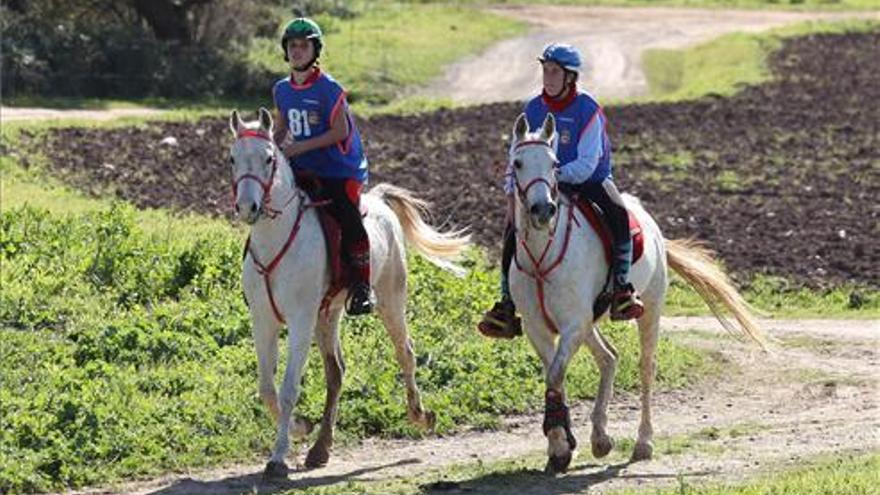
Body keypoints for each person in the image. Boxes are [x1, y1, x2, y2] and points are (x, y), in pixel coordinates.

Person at [478, 43, 644, 338]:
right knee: (510, 232)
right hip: (542, 184)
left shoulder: (588, 109)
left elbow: (588, 161)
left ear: (570, 77)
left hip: (589, 180)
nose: (548, 77)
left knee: (619, 216)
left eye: (554, 72)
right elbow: (517, 154)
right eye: (545, 70)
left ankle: (621, 290)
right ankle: (506, 304)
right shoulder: (533, 108)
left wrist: (554, 176)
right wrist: (510, 190)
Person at [271, 17, 374, 315]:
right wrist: (272, 148)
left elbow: (340, 131)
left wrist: (300, 147)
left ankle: (362, 286)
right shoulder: (281, 90)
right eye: (292, 46)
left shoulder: (329, 89)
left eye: (304, 46)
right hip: (301, 166)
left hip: (338, 168)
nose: (297, 51)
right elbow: (280, 129)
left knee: (347, 216)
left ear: (315, 50)